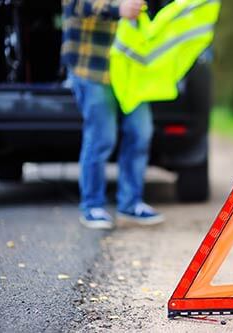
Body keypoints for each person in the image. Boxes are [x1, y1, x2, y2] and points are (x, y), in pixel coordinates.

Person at [62, 0, 164, 229]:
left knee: (141, 133)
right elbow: (81, 5)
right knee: (101, 137)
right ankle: (92, 206)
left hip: (129, 71)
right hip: (92, 69)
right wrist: (119, 9)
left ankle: (130, 204)